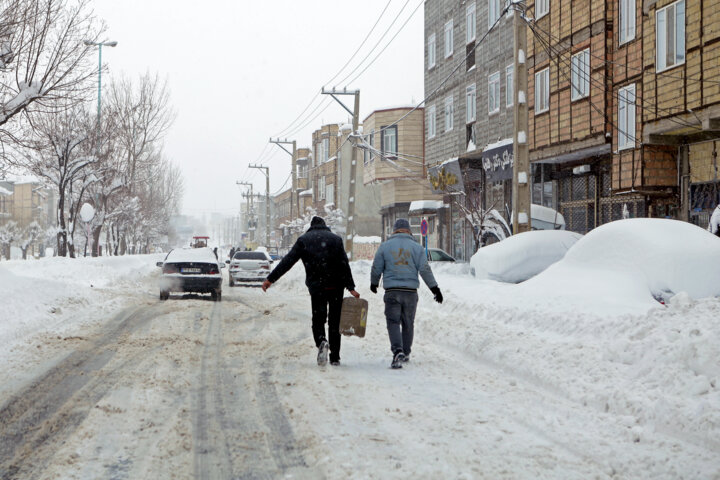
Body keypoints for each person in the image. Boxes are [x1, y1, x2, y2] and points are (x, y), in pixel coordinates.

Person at [262, 216, 359, 366]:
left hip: (317, 287)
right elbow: (344, 264)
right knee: (335, 321)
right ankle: (335, 357)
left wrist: (271, 279)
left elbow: (288, 261)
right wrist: (351, 287)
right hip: (335, 287)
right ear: (325, 226)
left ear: (311, 226)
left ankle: (321, 341)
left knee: (318, 319)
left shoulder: (304, 240)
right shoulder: (336, 239)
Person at [370, 218, 442, 369]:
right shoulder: (416, 248)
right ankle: (406, 352)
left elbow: (377, 266)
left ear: (394, 230)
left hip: (392, 292)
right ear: (408, 230)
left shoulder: (385, 246)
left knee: (393, 322)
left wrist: (374, 282)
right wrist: (435, 288)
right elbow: (424, 269)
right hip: (410, 292)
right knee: (408, 323)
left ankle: (397, 350)